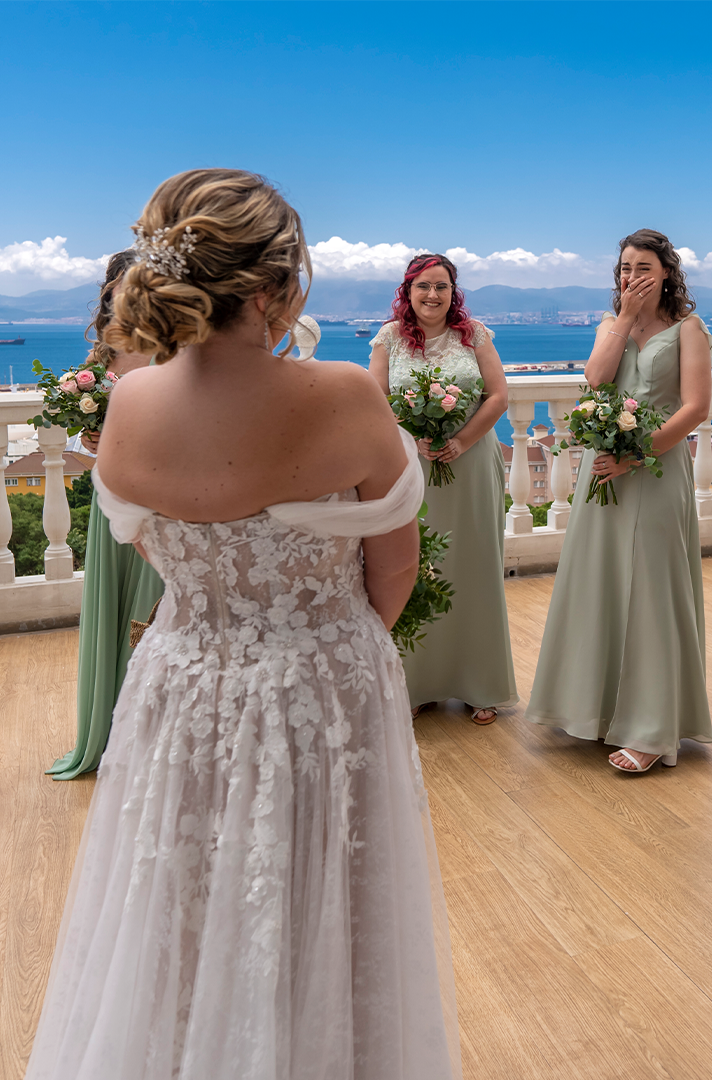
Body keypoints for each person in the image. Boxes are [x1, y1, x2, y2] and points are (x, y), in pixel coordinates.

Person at [25, 169, 461, 1080]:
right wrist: (317, 637)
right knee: (323, 908)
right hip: (324, 683)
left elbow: (152, 548)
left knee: (179, 902)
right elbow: (395, 569)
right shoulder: (343, 394)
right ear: (274, 290)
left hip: (182, 680)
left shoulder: (130, 402)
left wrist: (223, 615)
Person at [526, 228, 712, 772]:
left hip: (654, 468)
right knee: (600, 578)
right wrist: (626, 320)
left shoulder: (689, 330)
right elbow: (595, 378)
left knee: (654, 588)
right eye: (626, 268)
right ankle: (598, 711)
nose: (633, 277)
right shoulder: (611, 324)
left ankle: (653, 728)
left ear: (667, 274)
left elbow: (695, 408)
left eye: (644, 268)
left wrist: (638, 456)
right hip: (602, 470)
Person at [369, 253, 516, 724]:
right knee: (415, 566)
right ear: (407, 291)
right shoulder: (388, 339)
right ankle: (420, 683)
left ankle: (481, 685)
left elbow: (498, 395)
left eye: (442, 287)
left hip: (469, 463)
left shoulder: (474, 334)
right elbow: (376, 404)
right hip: (412, 468)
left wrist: (460, 440)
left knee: (474, 567)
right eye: (424, 287)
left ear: (454, 293)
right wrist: (413, 439)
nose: (433, 296)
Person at [47, 251, 166, 780]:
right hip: (110, 495)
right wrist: (89, 436)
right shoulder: (101, 359)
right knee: (115, 607)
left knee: (158, 609)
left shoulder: (177, 349)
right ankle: (113, 731)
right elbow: (82, 433)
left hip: (165, 497)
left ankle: (159, 732)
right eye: (122, 286)